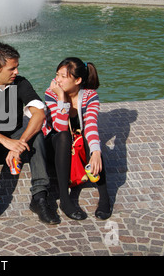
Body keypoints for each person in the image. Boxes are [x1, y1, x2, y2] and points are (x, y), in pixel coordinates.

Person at [0, 43, 60, 228]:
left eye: (17, 67)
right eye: (12, 68)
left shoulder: (21, 83)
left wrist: (20, 142)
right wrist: (7, 142)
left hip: (17, 145)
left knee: (37, 135)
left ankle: (39, 197)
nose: (16, 71)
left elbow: (40, 113)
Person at [42, 57, 112, 221]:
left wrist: (95, 152)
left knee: (92, 141)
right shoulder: (51, 93)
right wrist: (61, 97)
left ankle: (104, 196)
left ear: (78, 80)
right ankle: (64, 200)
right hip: (54, 147)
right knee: (65, 136)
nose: (57, 80)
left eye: (63, 76)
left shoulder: (90, 96)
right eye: (57, 74)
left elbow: (91, 126)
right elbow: (59, 128)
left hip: (77, 148)